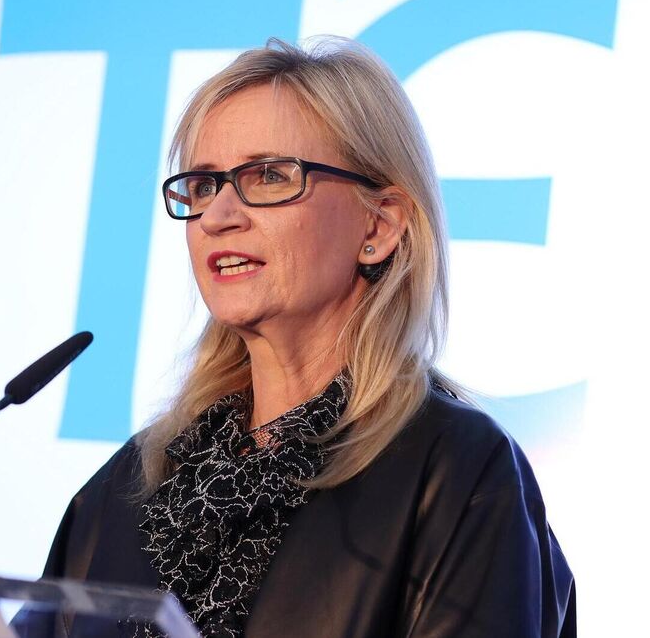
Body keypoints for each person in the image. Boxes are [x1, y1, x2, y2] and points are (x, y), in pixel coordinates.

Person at [42, 37, 575, 637]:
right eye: (204, 185)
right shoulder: (127, 488)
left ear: (379, 226)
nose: (217, 216)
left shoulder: (456, 471)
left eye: (269, 176)